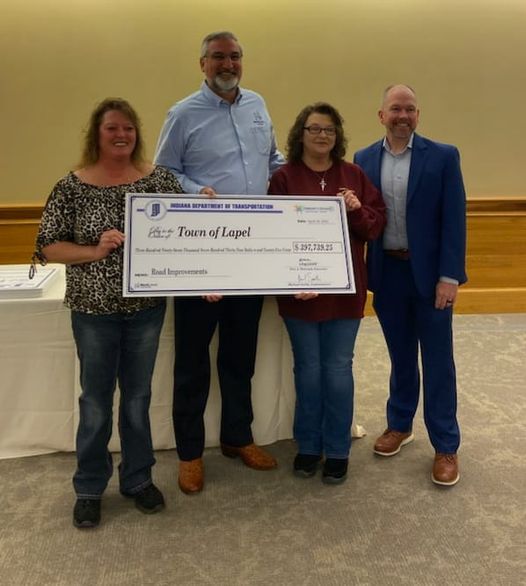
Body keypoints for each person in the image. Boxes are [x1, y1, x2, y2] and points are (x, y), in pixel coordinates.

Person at [33, 98, 183, 528]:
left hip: (145, 311)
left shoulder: (160, 181)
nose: (121, 135)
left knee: (137, 400)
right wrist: (94, 250)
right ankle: (89, 487)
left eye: (129, 129)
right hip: (93, 312)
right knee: (96, 403)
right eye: (112, 128)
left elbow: (187, 232)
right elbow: (48, 246)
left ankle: (137, 480)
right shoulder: (72, 186)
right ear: (96, 134)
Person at [154, 31, 285, 494]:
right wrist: (195, 191)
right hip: (202, 250)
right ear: (202, 64)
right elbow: (163, 171)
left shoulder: (258, 105)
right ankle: (190, 453)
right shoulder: (183, 113)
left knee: (239, 352)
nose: (227, 64)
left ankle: (237, 437)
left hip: (250, 251)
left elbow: (272, 159)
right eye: (217, 57)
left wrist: (304, 186)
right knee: (191, 357)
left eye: (234, 56)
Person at [354, 84, 467, 486]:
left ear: (418, 116)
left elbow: (455, 220)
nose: (403, 116)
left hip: (432, 277)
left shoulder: (443, 156)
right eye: (396, 109)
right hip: (389, 275)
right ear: (381, 115)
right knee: (401, 356)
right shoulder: (363, 159)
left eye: (411, 110)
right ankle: (399, 424)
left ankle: (446, 445)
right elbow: (363, 218)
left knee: (438, 361)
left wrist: (449, 278)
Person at [268, 102, 386, 483]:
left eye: (330, 130)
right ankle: (308, 445)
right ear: (300, 134)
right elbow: (274, 235)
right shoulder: (284, 178)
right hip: (299, 293)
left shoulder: (353, 174)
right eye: (315, 129)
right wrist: (291, 279)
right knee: (307, 371)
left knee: (337, 370)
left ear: (338, 137)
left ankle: (336, 448)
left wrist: (353, 209)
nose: (322, 136)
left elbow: (373, 227)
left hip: (344, 292)